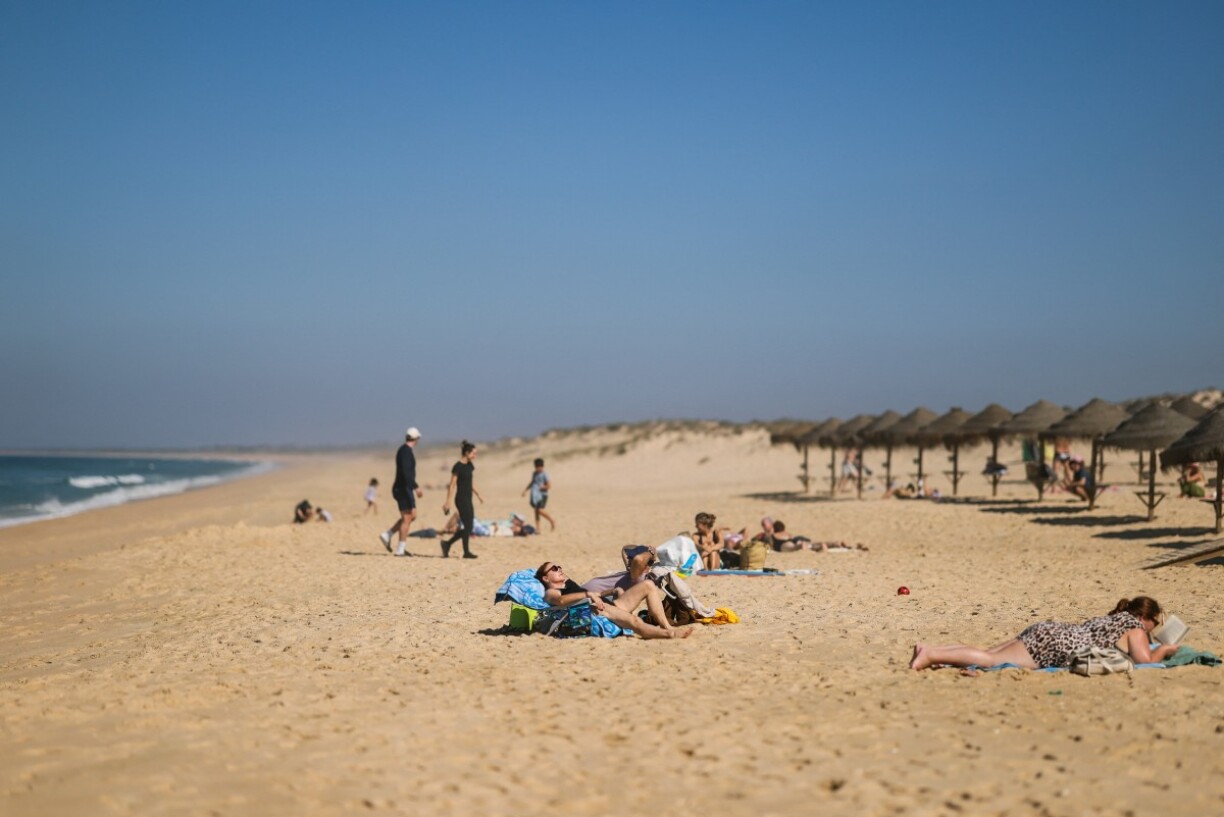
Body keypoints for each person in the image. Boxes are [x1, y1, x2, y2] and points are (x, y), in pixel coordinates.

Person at [910, 596, 1182, 671]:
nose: (1153, 628)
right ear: (1144, 618)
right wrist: (1165, 649)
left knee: (989, 654)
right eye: (1155, 623)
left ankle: (933, 651)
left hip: (1050, 631)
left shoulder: (1115, 618)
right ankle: (931, 654)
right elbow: (1144, 661)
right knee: (992, 660)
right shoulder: (1134, 627)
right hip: (1056, 644)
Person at [536, 561, 691, 640]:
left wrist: (611, 591)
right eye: (554, 569)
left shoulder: (568, 584)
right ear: (545, 578)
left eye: (559, 566)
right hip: (595, 610)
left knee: (648, 585)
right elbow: (561, 601)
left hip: (608, 603)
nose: (559, 569)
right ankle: (669, 634)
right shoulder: (550, 592)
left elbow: (594, 594)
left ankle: (666, 626)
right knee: (634, 621)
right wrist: (588, 595)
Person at [380, 427, 423, 557]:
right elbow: (405, 472)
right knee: (407, 518)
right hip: (403, 488)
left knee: (412, 515)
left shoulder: (405, 450)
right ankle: (400, 549)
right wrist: (416, 486)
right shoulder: (405, 452)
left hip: (405, 488)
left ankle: (388, 534)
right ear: (416, 438)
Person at [441, 441, 483, 559]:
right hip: (461, 499)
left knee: (469, 526)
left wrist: (478, 495)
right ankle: (462, 550)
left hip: (469, 499)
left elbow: (470, 483)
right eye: (473, 453)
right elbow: (452, 485)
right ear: (467, 453)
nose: (475, 456)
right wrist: (448, 501)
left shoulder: (470, 465)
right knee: (468, 527)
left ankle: (449, 545)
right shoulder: (457, 466)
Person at [522, 458, 556, 531]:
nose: (539, 469)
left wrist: (543, 487)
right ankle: (538, 529)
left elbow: (549, 485)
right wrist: (525, 490)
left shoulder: (545, 474)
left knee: (539, 510)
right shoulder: (534, 473)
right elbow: (532, 482)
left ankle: (552, 520)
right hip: (535, 495)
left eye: (540, 467)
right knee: (536, 511)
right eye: (537, 467)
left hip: (543, 495)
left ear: (543, 466)